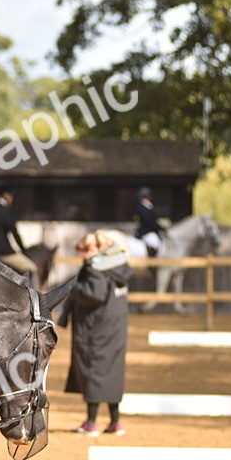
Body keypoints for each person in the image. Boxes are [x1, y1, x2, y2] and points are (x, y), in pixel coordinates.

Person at [61, 230, 132, 437]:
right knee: (113, 374)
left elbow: (95, 295)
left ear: (96, 248)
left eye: (84, 250)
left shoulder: (96, 269)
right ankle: (115, 422)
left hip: (95, 329)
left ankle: (91, 423)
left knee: (93, 372)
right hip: (116, 328)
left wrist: (75, 288)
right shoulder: (120, 266)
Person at [0, 182, 39, 286]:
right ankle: (31, 298)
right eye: (11, 196)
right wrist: (23, 251)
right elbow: (15, 234)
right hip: (4, 253)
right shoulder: (5, 211)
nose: (12, 199)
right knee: (32, 268)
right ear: (6, 195)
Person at [134, 187, 166, 257]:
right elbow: (149, 221)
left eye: (148, 196)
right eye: (146, 196)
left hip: (151, 231)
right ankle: (152, 264)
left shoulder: (149, 206)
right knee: (155, 243)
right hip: (146, 231)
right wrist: (159, 228)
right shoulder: (141, 207)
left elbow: (154, 220)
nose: (149, 198)